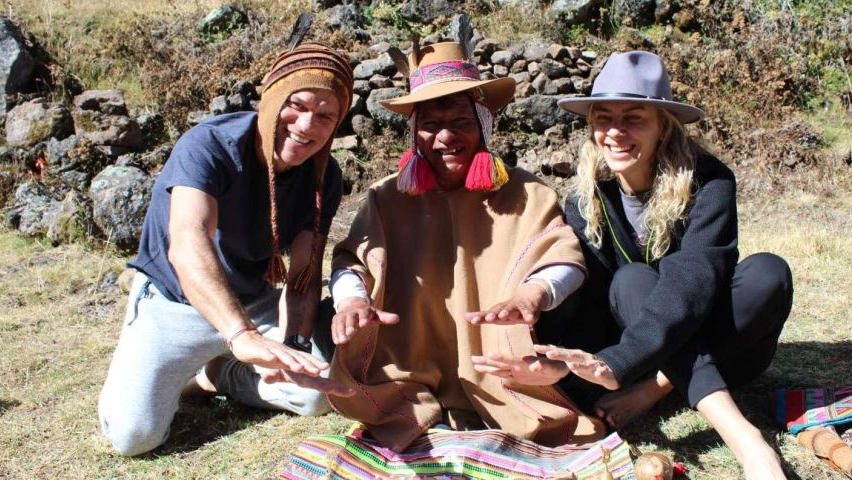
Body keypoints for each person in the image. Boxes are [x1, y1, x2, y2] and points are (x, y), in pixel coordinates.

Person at [473, 51, 793, 479]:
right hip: (635, 349)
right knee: (632, 280)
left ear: (664, 125)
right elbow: (593, 297)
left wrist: (631, 373)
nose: (615, 132)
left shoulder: (711, 182)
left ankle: (684, 404)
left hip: (716, 346)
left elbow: (694, 279)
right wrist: (563, 368)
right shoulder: (589, 196)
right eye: (603, 117)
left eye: (634, 117)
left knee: (768, 273)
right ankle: (731, 429)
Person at [325, 41, 605, 451]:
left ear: (484, 125)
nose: (445, 136)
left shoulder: (526, 192)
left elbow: (561, 256)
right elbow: (353, 261)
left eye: (460, 120)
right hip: (408, 357)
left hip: (499, 357)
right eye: (430, 124)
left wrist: (533, 294)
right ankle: (416, 406)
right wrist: (351, 303)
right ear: (414, 133)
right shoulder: (386, 198)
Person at [97, 43, 356, 457]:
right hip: (176, 301)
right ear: (271, 98)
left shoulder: (325, 176)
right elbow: (187, 244)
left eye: (326, 115)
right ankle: (205, 356)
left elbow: (305, 273)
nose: (307, 126)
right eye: (297, 105)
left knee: (314, 396)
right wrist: (241, 334)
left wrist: (295, 346)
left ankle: (217, 374)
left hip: (252, 300)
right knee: (133, 437)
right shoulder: (209, 145)